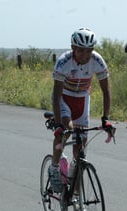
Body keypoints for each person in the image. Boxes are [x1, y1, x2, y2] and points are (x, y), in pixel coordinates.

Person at [48, 27, 112, 194]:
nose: (85, 55)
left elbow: (106, 91)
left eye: (89, 51)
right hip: (64, 98)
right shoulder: (64, 61)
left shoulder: (97, 61)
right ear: (73, 48)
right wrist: (57, 123)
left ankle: (75, 187)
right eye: (81, 51)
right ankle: (54, 168)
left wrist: (106, 119)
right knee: (67, 130)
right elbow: (56, 96)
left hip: (83, 98)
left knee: (80, 148)